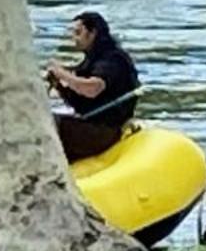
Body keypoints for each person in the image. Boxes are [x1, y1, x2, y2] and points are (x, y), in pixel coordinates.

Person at [47, 11, 140, 161]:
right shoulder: (91, 60)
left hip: (106, 130)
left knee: (50, 124)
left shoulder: (112, 59)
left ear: (92, 33)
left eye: (78, 33)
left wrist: (62, 73)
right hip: (92, 125)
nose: (74, 38)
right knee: (47, 119)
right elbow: (81, 102)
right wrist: (59, 85)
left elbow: (92, 89)